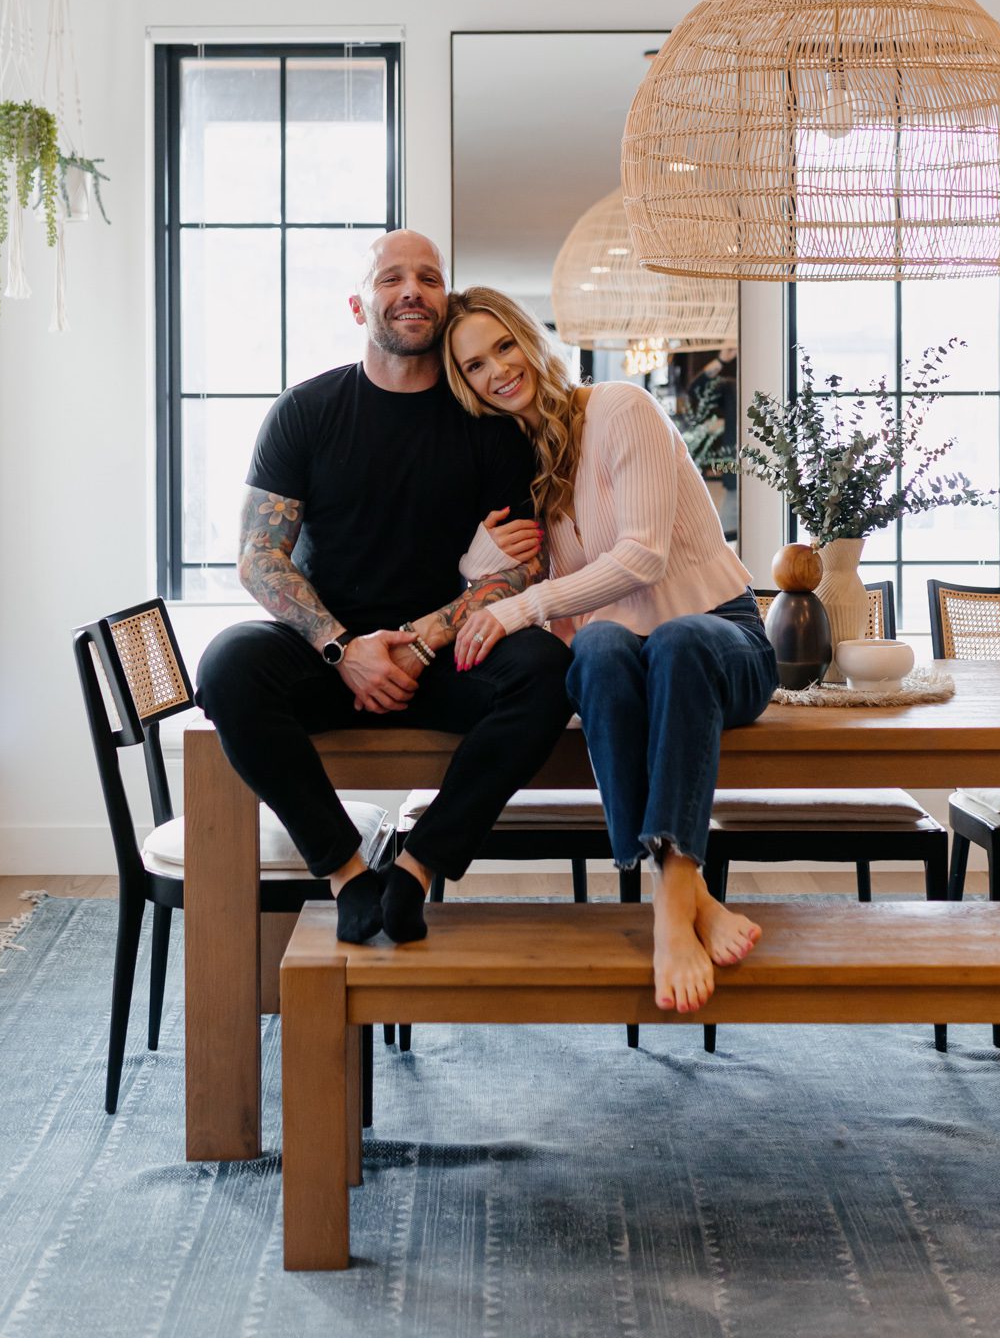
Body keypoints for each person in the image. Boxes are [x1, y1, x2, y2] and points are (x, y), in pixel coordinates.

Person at [195, 232, 572, 946]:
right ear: (357, 304)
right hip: (327, 654)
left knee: (548, 671)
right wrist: (345, 650)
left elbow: (520, 569)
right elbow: (257, 556)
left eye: (428, 279)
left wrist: (417, 645)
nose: (411, 290)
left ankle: (418, 868)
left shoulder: (487, 429)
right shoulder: (305, 412)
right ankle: (347, 875)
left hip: (442, 653)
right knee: (227, 666)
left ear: (444, 300)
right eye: (391, 277)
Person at [442, 286, 778, 1015]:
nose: (497, 370)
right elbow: (520, 583)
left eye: (503, 345)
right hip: (628, 664)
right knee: (594, 644)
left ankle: (667, 898)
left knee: (678, 640)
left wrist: (521, 608)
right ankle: (693, 899)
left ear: (530, 337)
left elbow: (642, 559)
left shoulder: (619, 408)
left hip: (719, 643)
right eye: (473, 366)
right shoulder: (525, 467)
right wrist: (479, 563)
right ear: (464, 387)